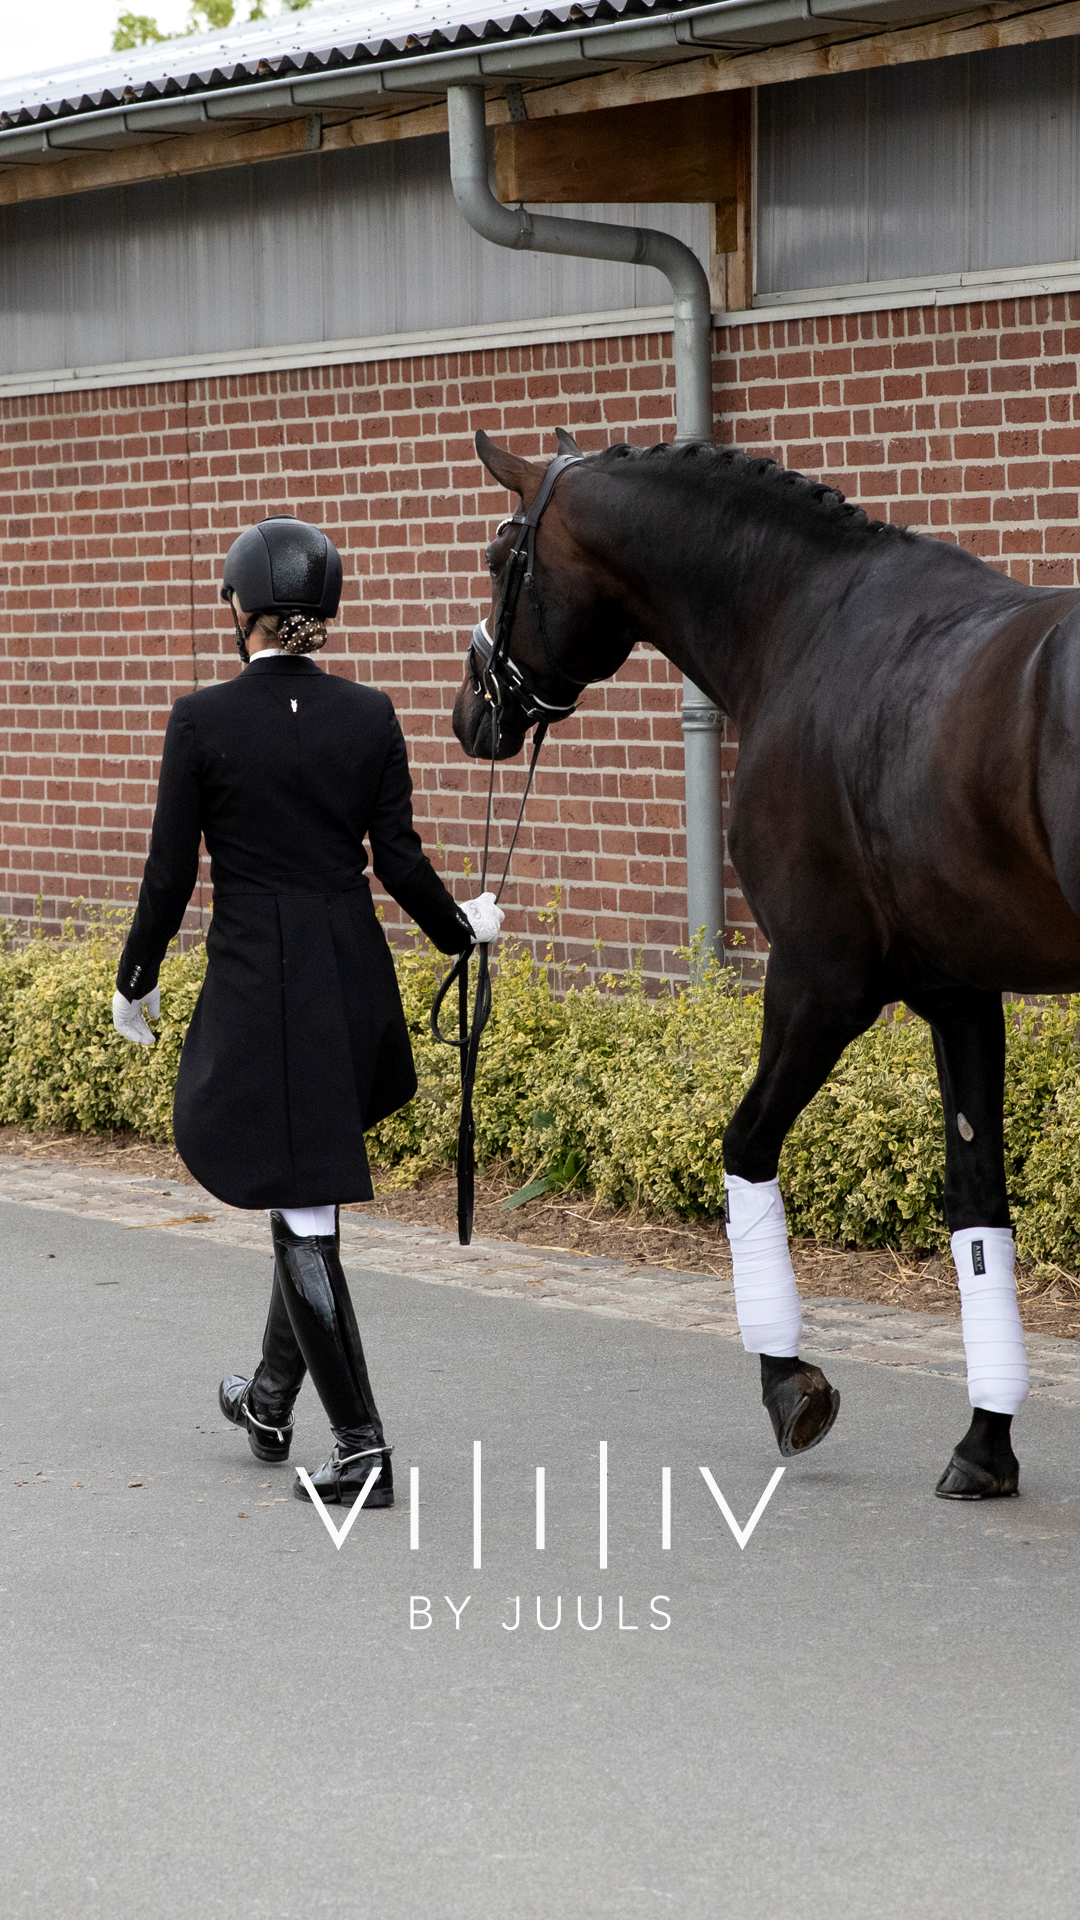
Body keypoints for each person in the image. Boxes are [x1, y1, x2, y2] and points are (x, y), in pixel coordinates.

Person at [112, 515, 502, 1509]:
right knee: (305, 1190)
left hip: (264, 988)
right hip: (349, 978)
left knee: (302, 1210)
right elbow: (398, 860)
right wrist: (462, 931)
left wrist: (136, 975)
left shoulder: (200, 720)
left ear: (239, 607)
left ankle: (363, 1450)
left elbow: (168, 875)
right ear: (320, 611)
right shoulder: (369, 714)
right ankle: (270, 1400)